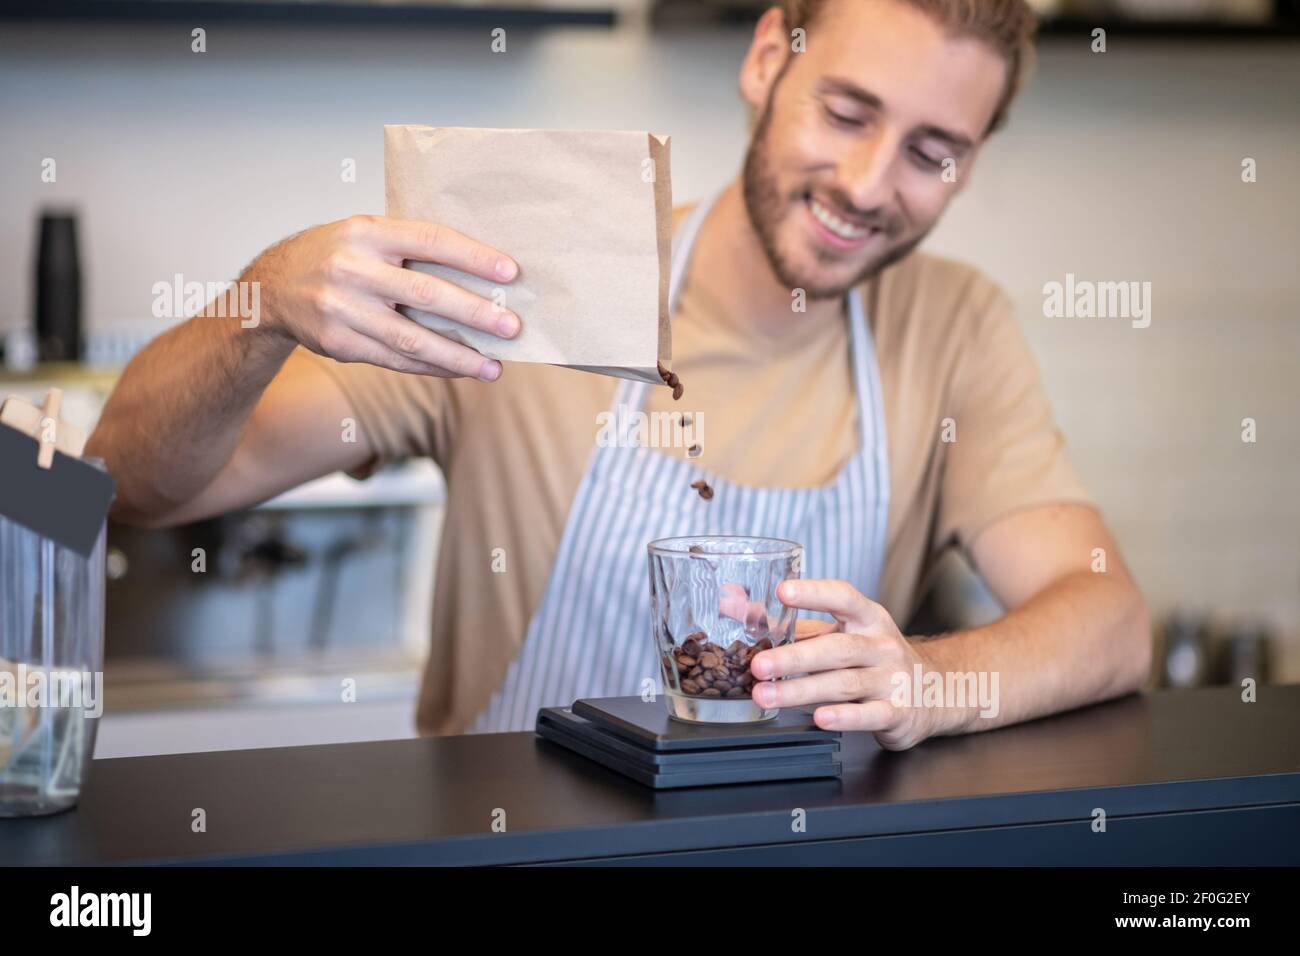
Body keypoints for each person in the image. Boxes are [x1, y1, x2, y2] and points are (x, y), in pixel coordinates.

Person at [88, 0, 1151, 750]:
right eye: (846, 111)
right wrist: (263, 303)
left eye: (932, 152)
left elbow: (1106, 617)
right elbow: (130, 485)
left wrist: (932, 682)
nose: (870, 184)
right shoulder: (528, 287)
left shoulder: (951, 325)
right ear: (764, 63)